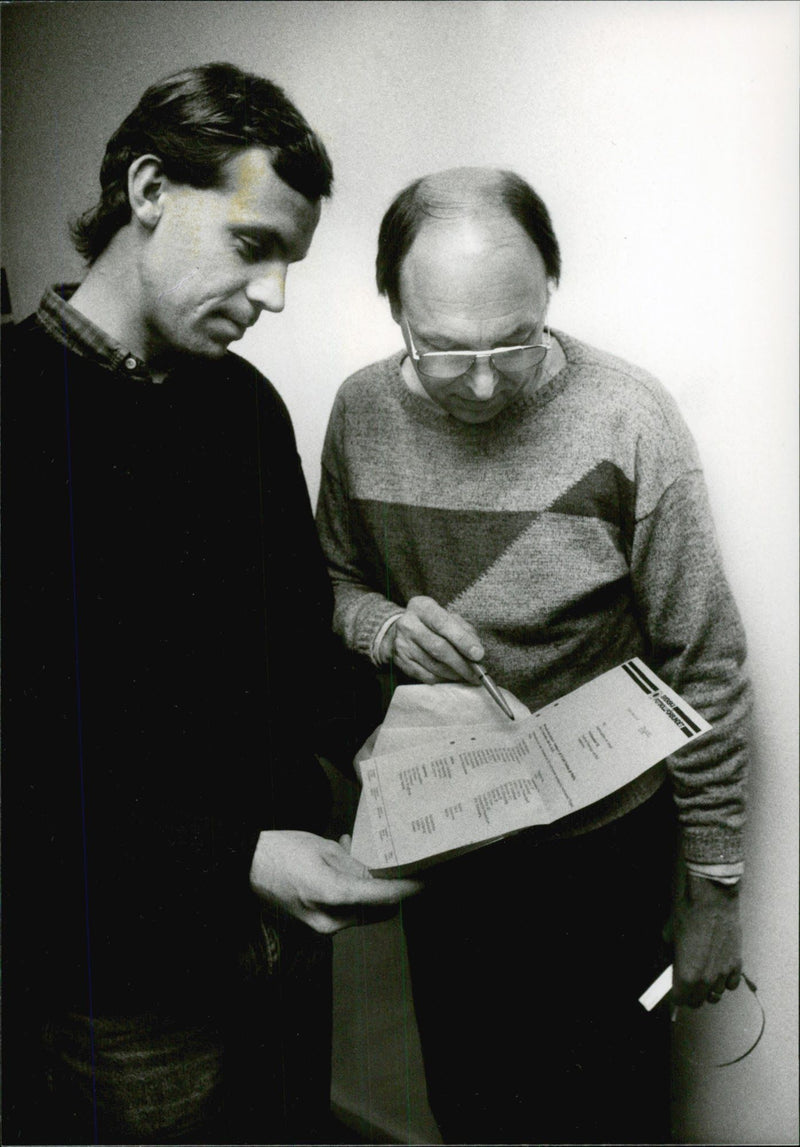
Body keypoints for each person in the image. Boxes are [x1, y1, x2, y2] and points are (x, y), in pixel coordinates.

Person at [1, 62, 418, 1146]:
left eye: (290, 257)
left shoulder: (242, 403)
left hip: (285, 940)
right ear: (148, 190)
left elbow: (293, 643)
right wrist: (229, 858)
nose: (275, 293)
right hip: (129, 978)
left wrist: (415, 738)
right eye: (252, 244)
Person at [316, 167, 750, 1144]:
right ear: (394, 308)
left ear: (548, 289)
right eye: (442, 350)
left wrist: (713, 889)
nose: (479, 383)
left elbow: (705, 665)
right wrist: (386, 628)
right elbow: (330, 588)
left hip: (604, 854)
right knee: (469, 1102)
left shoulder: (629, 418)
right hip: (450, 838)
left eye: (509, 344)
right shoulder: (358, 413)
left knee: (613, 1106)